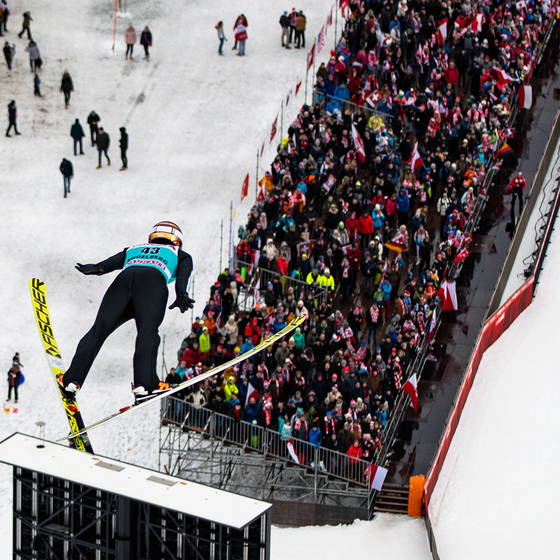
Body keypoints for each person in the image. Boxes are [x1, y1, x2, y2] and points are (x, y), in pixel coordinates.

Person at [58, 221, 195, 402]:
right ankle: (144, 385)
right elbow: (183, 275)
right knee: (148, 333)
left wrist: (95, 268)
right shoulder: (180, 254)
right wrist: (181, 294)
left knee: (98, 330)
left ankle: (71, 380)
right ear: (178, 240)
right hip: (153, 284)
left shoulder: (134, 248)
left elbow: (103, 267)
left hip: (123, 282)